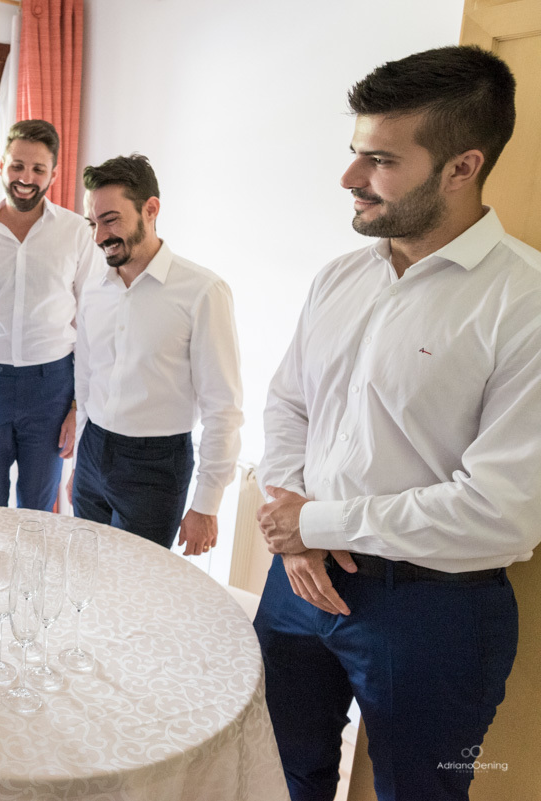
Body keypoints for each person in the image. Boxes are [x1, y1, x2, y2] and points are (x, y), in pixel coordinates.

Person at [254, 45, 541, 801]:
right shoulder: (339, 275)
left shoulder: (525, 304)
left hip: (435, 613)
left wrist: (319, 519)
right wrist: (293, 524)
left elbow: (503, 511)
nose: (350, 178)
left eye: (379, 159)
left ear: (461, 167)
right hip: (295, 583)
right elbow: (288, 402)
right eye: (355, 153)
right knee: (281, 772)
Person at [75, 154, 243, 552]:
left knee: (135, 588)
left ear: (150, 210)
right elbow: (86, 377)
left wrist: (206, 505)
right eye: (93, 223)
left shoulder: (202, 291)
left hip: (156, 464)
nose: (99, 236)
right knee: (82, 571)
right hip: (93, 450)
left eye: (111, 220)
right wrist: (82, 463)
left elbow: (224, 407)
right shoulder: (93, 287)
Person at [0, 119, 97, 510]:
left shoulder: (76, 233)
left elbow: (89, 323)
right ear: (2, 166)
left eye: (38, 169)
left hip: (51, 388)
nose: (26, 177)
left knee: (38, 513)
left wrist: (77, 409)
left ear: (53, 173)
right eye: (17, 166)